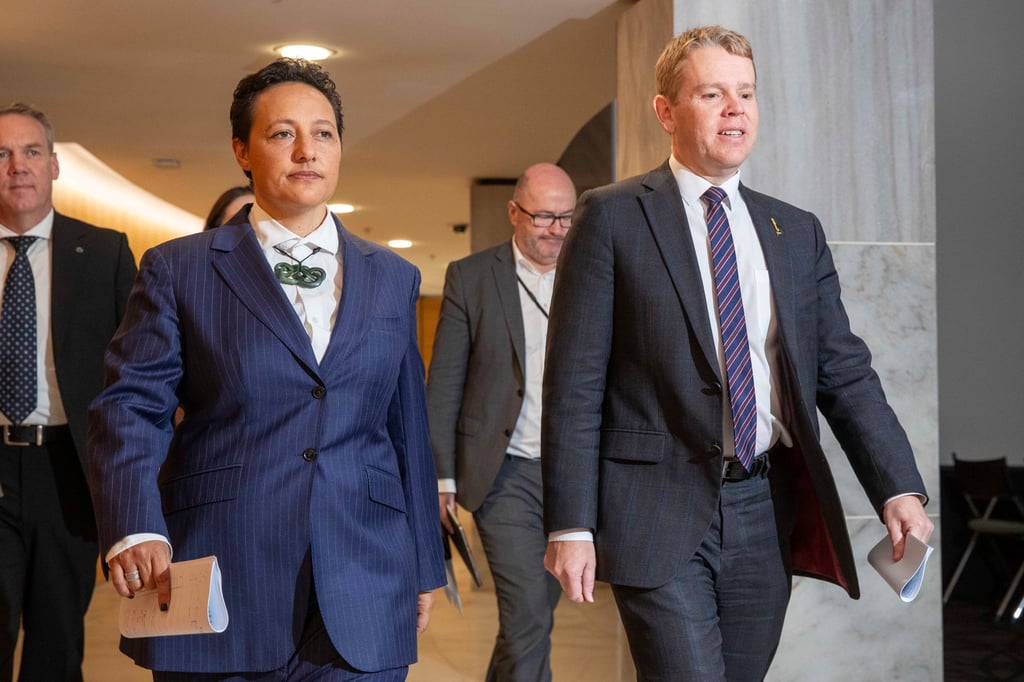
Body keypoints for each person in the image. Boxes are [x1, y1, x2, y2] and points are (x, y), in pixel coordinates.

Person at [541, 25, 934, 681]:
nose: (735, 110)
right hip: (654, 509)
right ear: (666, 111)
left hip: (762, 507)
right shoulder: (611, 219)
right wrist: (570, 525)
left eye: (746, 94)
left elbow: (844, 375)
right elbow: (574, 386)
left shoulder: (793, 232)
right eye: (713, 93)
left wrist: (898, 484)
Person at [87, 58, 445, 680]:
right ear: (242, 152)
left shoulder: (392, 277)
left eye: (324, 133)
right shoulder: (179, 268)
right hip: (223, 567)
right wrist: (135, 526)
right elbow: (130, 406)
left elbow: (405, 425)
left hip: (365, 576)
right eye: (283, 134)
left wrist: (423, 564)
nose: (307, 150)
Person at [0, 103, 136, 681]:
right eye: (1, 154)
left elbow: (138, 375)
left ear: (54, 165)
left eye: (31, 152)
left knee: (57, 642)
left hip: (69, 471)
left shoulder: (105, 253)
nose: (17, 166)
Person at [427, 162, 576, 682]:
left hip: (571, 475)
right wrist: (442, 477)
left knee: (532, 618)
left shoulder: (592, 276)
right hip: (504, 472)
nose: (556, 229)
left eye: (566, 218)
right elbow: (444, 384)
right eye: (543, 217)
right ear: (514, 213)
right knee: (529, 613)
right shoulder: (472, 278)